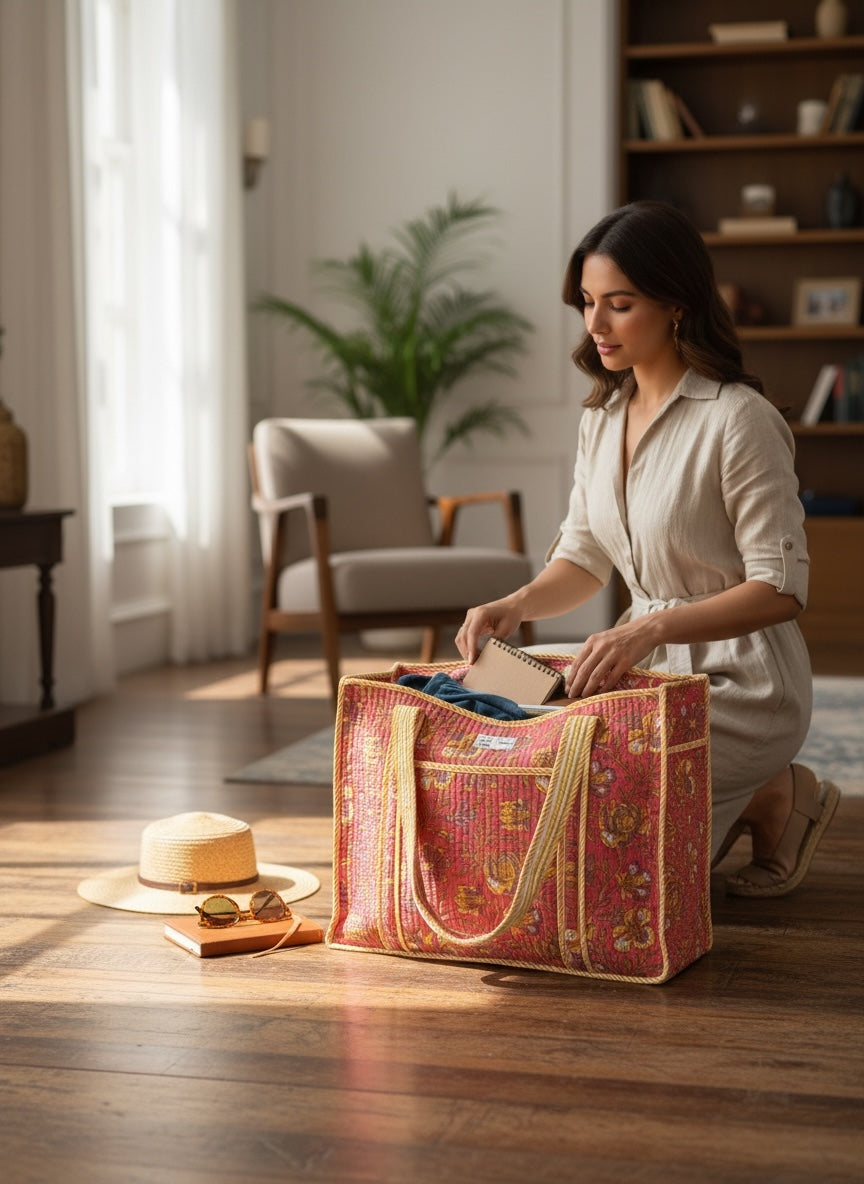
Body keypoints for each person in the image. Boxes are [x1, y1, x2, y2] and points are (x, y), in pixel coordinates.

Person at [455, 199, 840, 897]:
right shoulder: (601, 418)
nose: (595, 325)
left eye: (619, 304)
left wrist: (649, 628)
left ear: (676, 305)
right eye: (587, 303)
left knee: (592, 772)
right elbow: (583, 559)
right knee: (496, 702)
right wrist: (513, 604)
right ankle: (757, 799)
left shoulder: (738, 421)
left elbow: (782, 589)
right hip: (640, 666)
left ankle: (771, 787)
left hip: (743, 683)